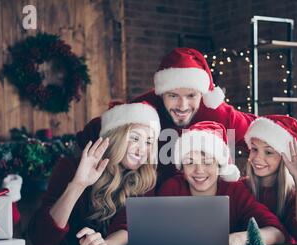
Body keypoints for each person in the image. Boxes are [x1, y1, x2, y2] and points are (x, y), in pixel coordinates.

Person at [76, 47, 257, 188]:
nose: (182, 106)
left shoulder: (218, 112)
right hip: (156, 205)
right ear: (160, 94)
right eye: (172, 95)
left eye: (191, 95)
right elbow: (98, 131)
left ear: (202, 94)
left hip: (214, 205)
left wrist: (254, 184)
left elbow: (267, 134)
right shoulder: (145, 109)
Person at [108, 121, 288, 245]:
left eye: (208, 162)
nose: (199, 170)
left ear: (219, 166)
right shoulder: (173, 188)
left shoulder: (234, 191)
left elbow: (277, 232)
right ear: (182, 167)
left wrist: (240, 238)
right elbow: (141, 226)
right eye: (189, 162)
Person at [28, 102, 161, 245]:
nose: (142, 150)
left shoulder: (145, 177)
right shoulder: (71, 167)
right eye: (134, 138)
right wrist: (78, 185)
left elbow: (132, 225)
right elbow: (40, 239)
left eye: (148, 142)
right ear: (115, 138)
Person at [244, 115, 297, 245]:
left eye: (268, 152)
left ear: (286, 158)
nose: (257, 157)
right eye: (254, 149)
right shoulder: (241, 187)